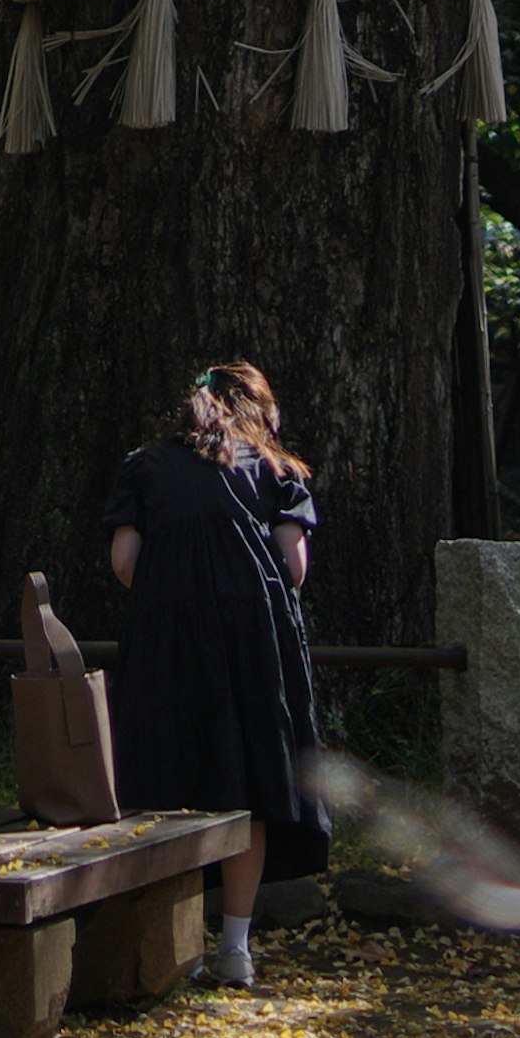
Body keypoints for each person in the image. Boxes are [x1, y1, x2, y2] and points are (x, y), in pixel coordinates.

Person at [103, 358, 327, 989]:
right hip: (254, 643)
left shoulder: (144, 466)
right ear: (256, 410)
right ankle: (235, 948)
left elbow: (125, 561)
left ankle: (173, 946)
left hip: (166, 639)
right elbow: (295, 565)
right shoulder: (279, 472)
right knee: (247, 781)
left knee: (168, 773)